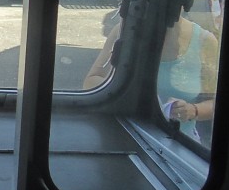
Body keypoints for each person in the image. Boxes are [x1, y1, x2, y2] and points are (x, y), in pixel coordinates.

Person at [82, 12, 218, 143]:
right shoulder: (125, 31)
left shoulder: (204, 40)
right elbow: (91, 81)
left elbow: (216, 101)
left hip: (182, 146)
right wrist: (130, 92)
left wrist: (192, 110)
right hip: (128, 137)